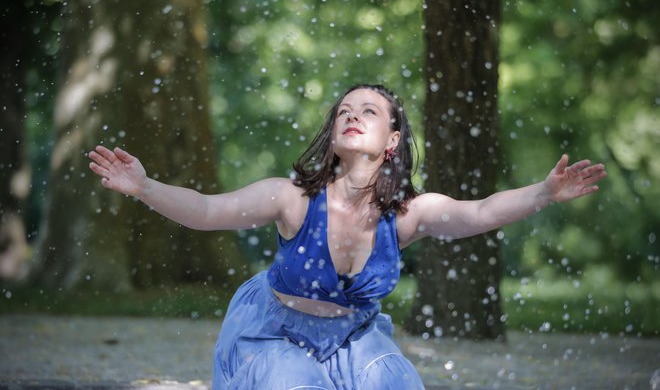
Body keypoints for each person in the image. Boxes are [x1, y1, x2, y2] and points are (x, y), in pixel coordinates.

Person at [89, 84, 606, 390]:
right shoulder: (290, 198)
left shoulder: (407, 214)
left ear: (393, 141)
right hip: (274, 337)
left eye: (369, 112)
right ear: (334, 138)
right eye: (344, 111)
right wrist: (145, 186)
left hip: (355, 341)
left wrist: (543, 192)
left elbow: (481, 212)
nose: (353, 116)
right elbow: (205, 210)